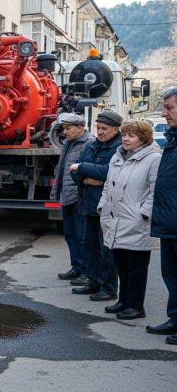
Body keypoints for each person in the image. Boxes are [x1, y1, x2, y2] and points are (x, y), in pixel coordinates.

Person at [97, 120, 161, 320]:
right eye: (124, 134)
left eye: (131, 135)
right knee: (122, 265)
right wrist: (102, 205)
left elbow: (155, 190)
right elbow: (108, 185)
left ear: (143, 139)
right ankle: (123, 301)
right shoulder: (118, 156)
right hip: (115, 218)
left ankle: (135, 306)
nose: (125, 138)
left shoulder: (153, 158)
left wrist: (144, 214)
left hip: (136, 221)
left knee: (136, 268)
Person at [70, 110, 123, 301]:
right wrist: (84, 180)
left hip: (107, 208)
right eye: (98, 128)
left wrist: (82, 168)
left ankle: (109, 288)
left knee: (107, 250)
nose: (100, 132)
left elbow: (108, 172)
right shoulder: (92, 146)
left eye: (104, 129)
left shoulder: (119, 148)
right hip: (89, 204)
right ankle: (94, 283)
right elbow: (72, 171)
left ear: (116, 129)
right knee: (90, 248)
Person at [50, 113, 95, 283]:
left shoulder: (89, 143)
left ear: (80, 128)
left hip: (79, 196)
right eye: (64, 128)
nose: (64, 132)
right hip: (67, 195)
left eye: (68, 128)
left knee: (82, 236)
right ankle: (76, 267)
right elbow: (62, 170)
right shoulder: (69, 143)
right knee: (70, 235)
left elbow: (87, 170)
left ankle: (86, 272)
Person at [148, 87, 177, 344]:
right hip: (169, 223)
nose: (163, 113)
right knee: (171, 274)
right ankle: (175, 319)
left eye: (169, 108)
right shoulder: (173, 139)